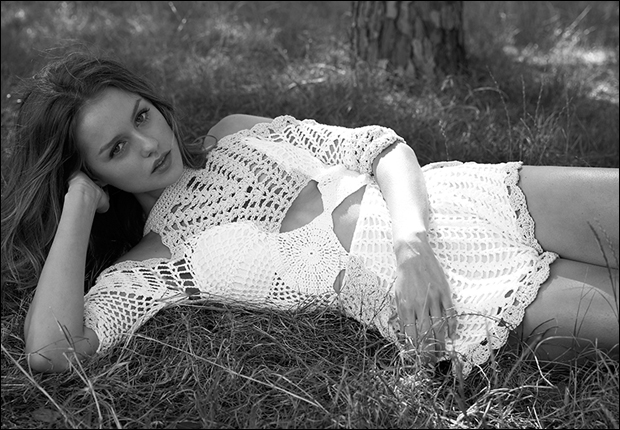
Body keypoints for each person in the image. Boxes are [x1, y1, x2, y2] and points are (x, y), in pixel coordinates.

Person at [1, 53, 618, 377]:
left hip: (452, 203)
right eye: (115, 150)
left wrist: (413, 245)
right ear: (94, 175)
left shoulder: (235, 132)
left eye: (141, 116)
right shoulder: (157, 264)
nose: (148, 144)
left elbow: (381, 148)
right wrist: (77, 205)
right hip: (451, 298)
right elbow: (54, 352)